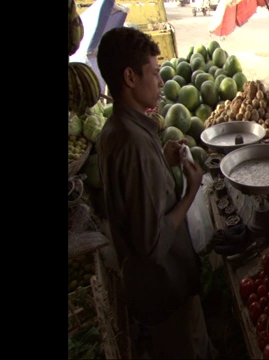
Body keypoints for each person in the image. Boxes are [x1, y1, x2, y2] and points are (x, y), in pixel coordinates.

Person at [96, 27, 216, 359]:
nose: (161, 82)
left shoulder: (118, 128)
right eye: (153, 72)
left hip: (150, 290)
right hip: (165, 290)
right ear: (130, 77)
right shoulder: (133, 143)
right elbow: (153, 244)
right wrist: (191, 191)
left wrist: (162, 161)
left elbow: (135, 194)